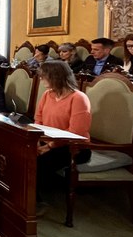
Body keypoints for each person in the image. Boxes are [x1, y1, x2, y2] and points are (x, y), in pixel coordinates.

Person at [34, 61, 92, 201]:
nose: (41, 79)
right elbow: (38, 119)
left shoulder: (78, 98)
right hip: (48, 141)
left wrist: (49, 146)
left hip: (73, 147)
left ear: (56, 76)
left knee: (38, 163)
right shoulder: (47, 95)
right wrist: (36, 141)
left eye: (44, 76)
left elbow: (75, 132)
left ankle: (32, 200)